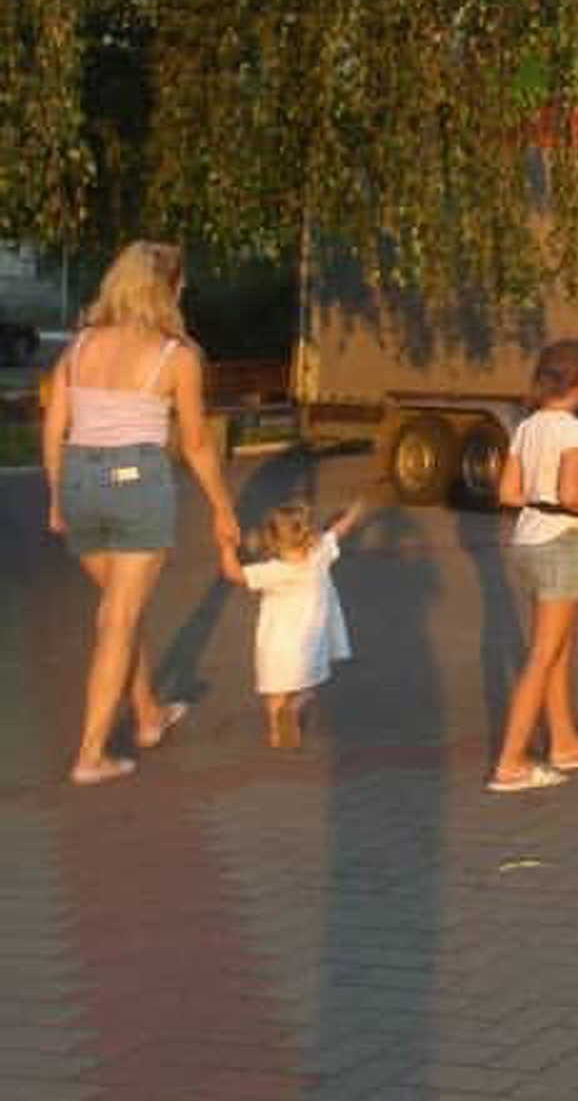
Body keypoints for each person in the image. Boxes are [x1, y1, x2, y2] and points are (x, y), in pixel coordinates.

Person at [38, 242, 241, 785]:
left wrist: (58, 497)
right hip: (136, 485)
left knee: (118, 610)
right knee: (118, 619)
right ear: (168, 289)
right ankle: (90, 754)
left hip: (81, 482)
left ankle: (148, 714)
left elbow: (54, 426)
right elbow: (196, 444)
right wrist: (223, 510)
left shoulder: (78, 346)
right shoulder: (176, 356)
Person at [488, 339, 578, 792]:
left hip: (529, 539)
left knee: (560, 645)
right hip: (559, 544)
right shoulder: (576, 430)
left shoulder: (527, 426)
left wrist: (550, 502)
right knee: (545, 653)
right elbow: (572, 494)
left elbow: (508, 494)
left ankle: (565, 742)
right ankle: (511, 763)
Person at [238, 496, 369, 746]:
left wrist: (225, 548)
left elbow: (234, 574)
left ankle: (277, 733)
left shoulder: (271, 571)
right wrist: (353, 513)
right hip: (307, 644)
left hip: (274, 646)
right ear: (309, 533)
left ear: (273, 539)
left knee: (274, 691)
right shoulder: (319, 555)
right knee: (308, 685)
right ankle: (295, 706)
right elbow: (337, 531)